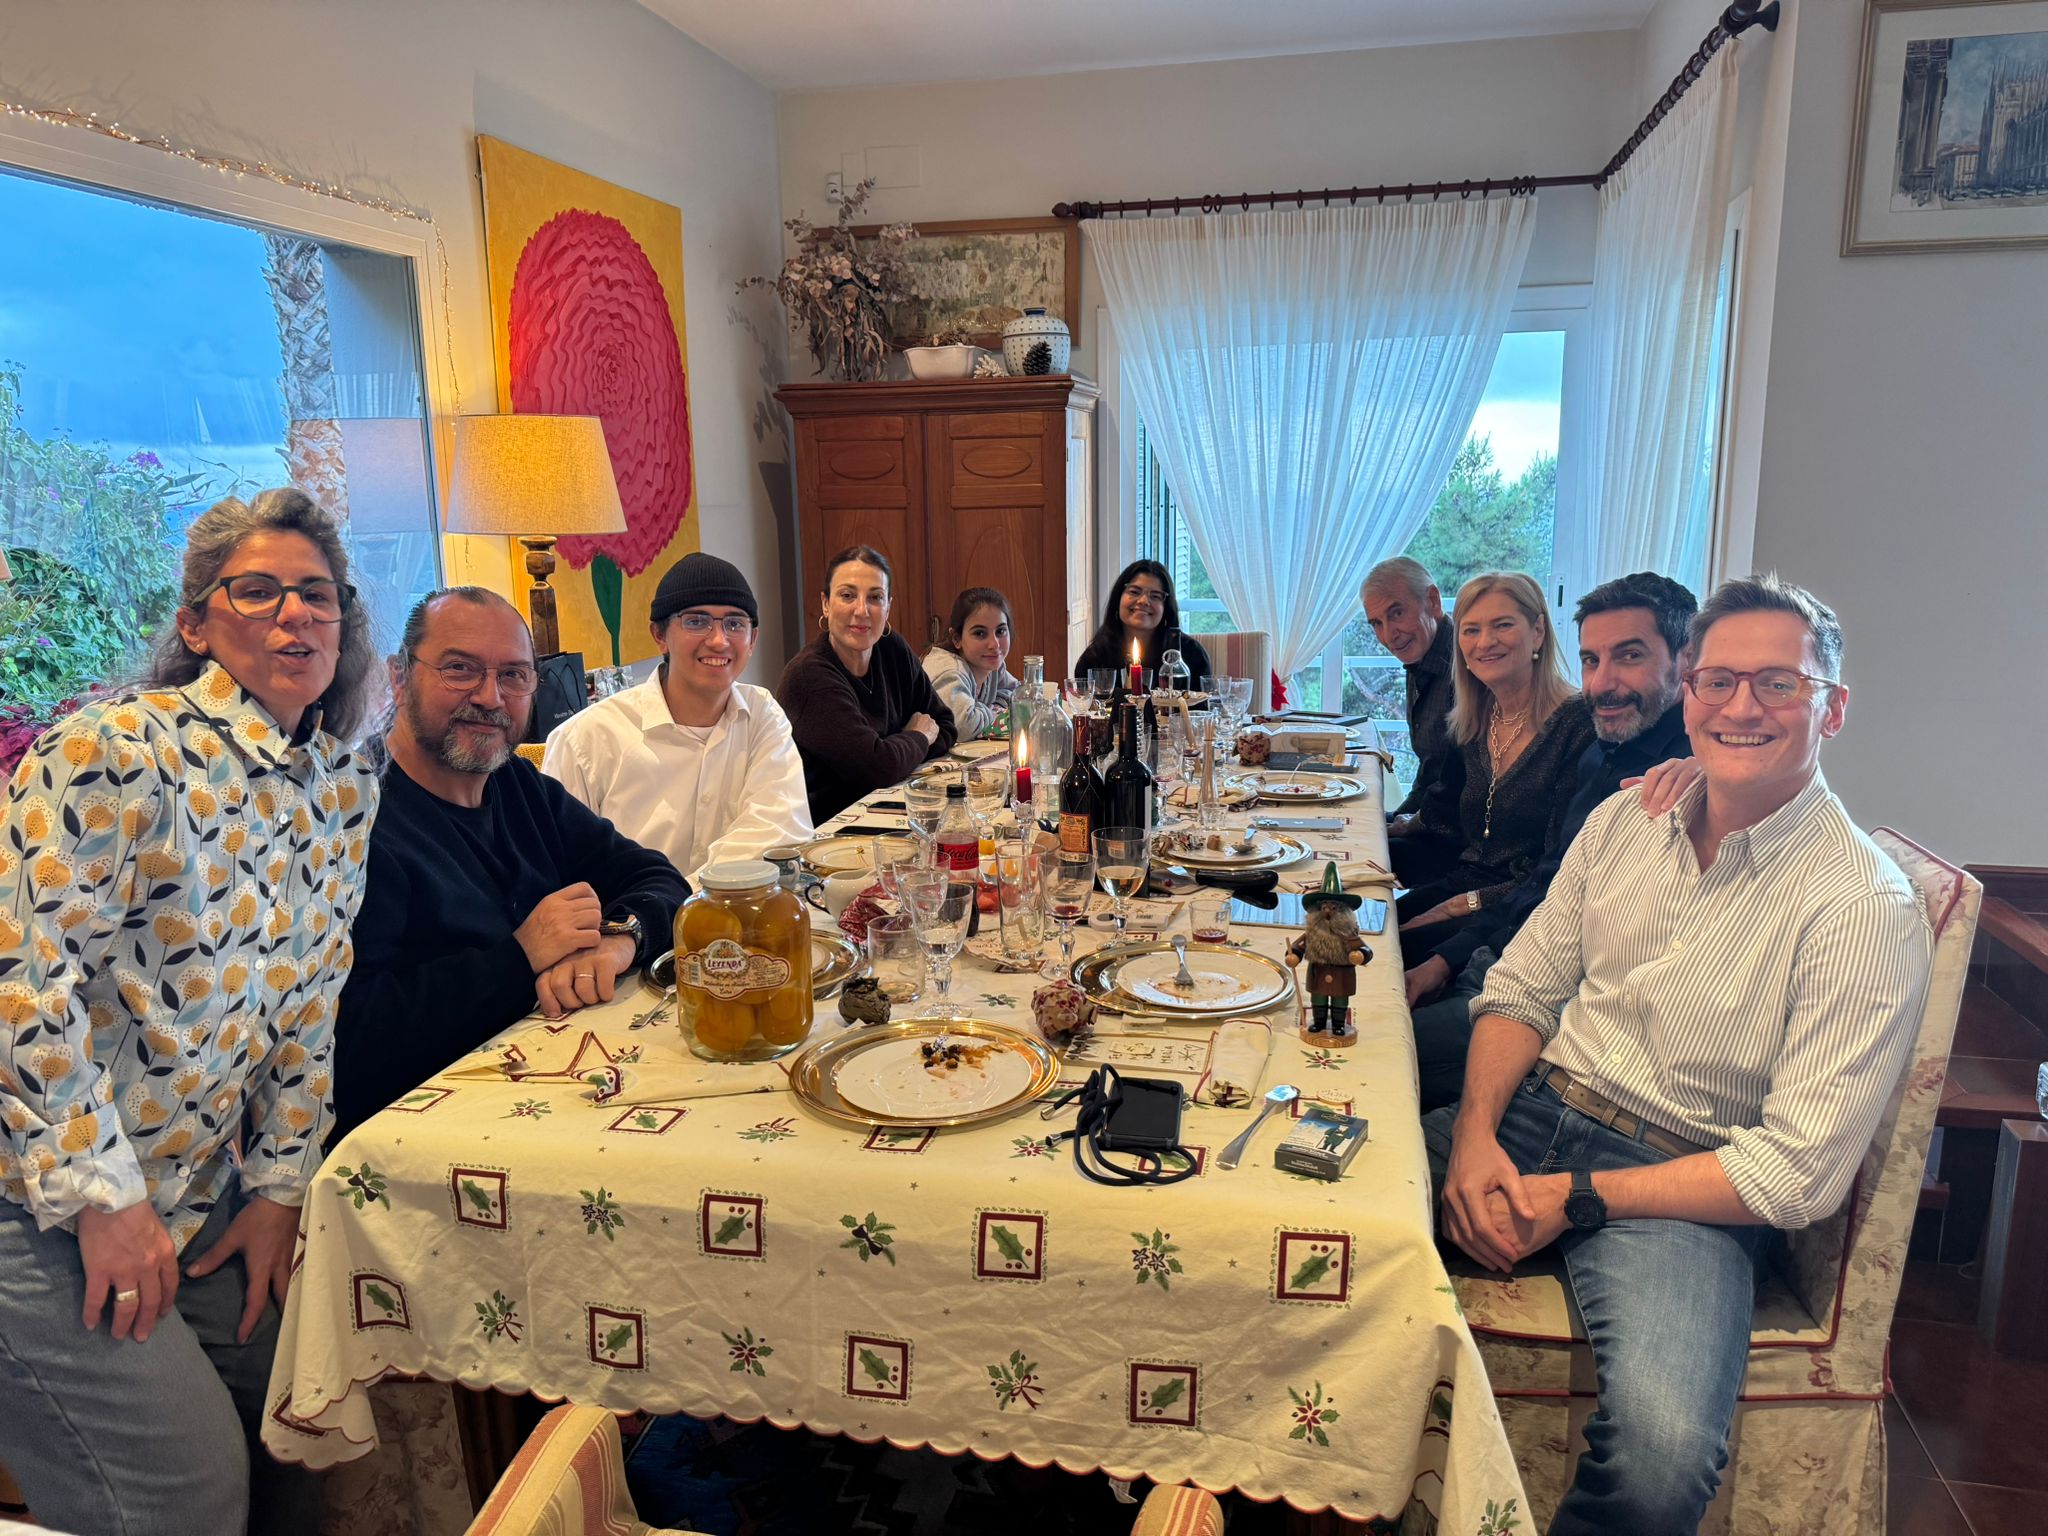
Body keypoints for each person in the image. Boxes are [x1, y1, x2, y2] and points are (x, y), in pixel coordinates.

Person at [1426, 574, 1933, 1535]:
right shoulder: (1627, 821)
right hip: (1532, 1109)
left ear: (1832, 709)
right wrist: (1475, 1136)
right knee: (1304, 1229)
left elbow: (1797, 1172)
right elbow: (1521, 989)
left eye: (1779, 684)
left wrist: (1577, 1197)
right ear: (1688, 692)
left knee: (1661, 1462)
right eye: (1718, 681)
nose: (1742, 707)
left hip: (1685, 1182)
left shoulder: (1861, 906)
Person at [0, 488, 380, 1536]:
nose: (293, 614)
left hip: (192, 1189)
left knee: (299, 1414)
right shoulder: (116, 751)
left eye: (317, 594)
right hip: (33, 1198)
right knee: (185, 1493)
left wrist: (279, 1188)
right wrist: (102, 1200)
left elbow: (311, 1006)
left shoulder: (340, 788)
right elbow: (17, 977)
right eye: (256, 592)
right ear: (197, 624)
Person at [331, 588, 686, 1139]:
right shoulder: (350, 820)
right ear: (398, 677)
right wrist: (522, 956)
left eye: (514, 676)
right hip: (419, 1141)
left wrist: (619, 940)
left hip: (549, 1097)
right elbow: (352, 1042)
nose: (490, 697)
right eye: (459, 669)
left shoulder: (518, 785)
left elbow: (660, 879)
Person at [1406, 572, 1697, 1110]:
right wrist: (1449, 958)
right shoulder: (1604, 750)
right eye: (1591, 660)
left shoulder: (1689, 776)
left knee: (1381, 1050)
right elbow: (1547, 884)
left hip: (1563, 1015)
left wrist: (1462, 937)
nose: (1603, 683)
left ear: (1688, 660)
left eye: (1630, 656)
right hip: (1507, 958)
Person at [543, 553, 810, 885]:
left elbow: (778, 831)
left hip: (739, 907)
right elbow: (557, 866)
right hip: (627, 915)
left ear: (752, 639)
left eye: (734, 623)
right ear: (659, 635)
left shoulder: (761, 714)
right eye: (696, 621)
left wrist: (683, 900)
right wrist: (663, 906)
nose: (719, 640)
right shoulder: (586, 739)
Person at [1397, 571, 1594, 926]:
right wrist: (1379, 831)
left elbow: (1562, 866)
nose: (1485, 642)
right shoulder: (1476, 717)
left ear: (1538, 631)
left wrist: (1468, 903)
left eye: (1502, 625)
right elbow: (1444, 816)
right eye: (1471, 630)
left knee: (1386, 951)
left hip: (1523, 911)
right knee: (1359, 923)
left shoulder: (1578, 725)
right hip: (1462, 883)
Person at [777, 544, 957, 825]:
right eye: (847, 595)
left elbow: (944, 725)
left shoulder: (892, 648)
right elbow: (878, 769)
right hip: (828, 831)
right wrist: (917, 737)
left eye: (875, 597)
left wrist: (895, 752)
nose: (862, 610)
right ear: (825, 603)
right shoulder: (809, 677)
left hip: (889, 813)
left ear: (888, 607)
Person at [1071, 559, 1212, 688]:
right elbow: (1084, 706)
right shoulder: (1094, 658)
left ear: (1166, 608)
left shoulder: (1191, 654)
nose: (1143, 601)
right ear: (1118, 598)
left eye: (1155, 596)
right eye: (1134, 592)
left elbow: (1203, 706)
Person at [922, 586, 1020, 740]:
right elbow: (963, 727)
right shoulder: (949, 671)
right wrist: (993, 712)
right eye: (980, 633)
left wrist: (993, 707)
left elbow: (1018, 695)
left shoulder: (991, 665)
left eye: (1000, 631)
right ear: (956, 639)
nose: (994, 644)